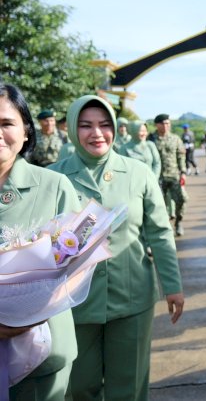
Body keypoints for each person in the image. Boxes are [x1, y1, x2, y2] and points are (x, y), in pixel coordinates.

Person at [49, 95, 184, 401]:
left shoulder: (138, 173)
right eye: (85, 126)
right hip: (75, 303)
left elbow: (160, 233)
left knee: (130, 386)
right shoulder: (54, 177)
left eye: (104, 124)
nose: (96, 133)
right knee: (81, 387)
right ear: (72, 129)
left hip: (132, 297)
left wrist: (172, 285)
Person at [0, 83, 80, 401]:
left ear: (26, 132)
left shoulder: (54, 186)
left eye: (6, 124)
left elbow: (77, 264)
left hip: (41, 356)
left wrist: (24, 314)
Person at [153, 113, 187, 236]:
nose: (166, 125)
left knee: (181, 199)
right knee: (159, 204)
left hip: (174, 176)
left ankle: (179, 223)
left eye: (168, 123)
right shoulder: (151, 139)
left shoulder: (176, 139)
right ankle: (165, 227)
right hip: (157, 178)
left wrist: (183, 172)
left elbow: (181, 156)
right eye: (162, 123)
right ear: (157, 125)